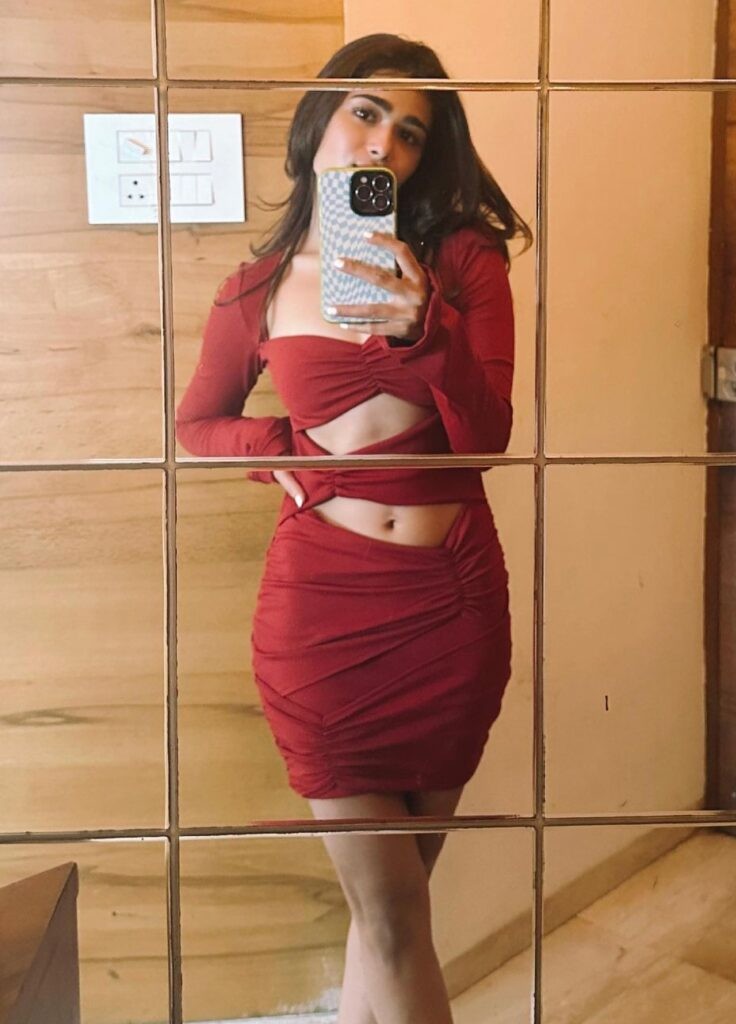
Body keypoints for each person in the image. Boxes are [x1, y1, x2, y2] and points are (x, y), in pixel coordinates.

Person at [176, 32, 532, 1024]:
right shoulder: (255, 287)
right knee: (393, 914)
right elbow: (195, 424)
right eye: (366, 112)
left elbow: (487, 439)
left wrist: (430, 331)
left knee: (392, 908)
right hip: (323, 619)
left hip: (453, 607)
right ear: (319, 120)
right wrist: (280, 448)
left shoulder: (462, 261)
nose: (383, 143)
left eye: (410, 133)